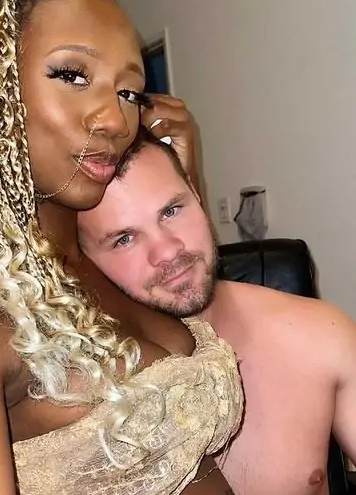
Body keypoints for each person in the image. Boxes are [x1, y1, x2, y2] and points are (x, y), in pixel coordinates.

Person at [0, 0, 243, 494]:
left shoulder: (108, 257)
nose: (116, 120)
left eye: (128, 92)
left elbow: (201, 298)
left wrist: (185, 175)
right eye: (74, 75)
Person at [77, 128, 356, 495]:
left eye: (171, 211)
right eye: (124, 238)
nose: (167, 251)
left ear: (197, 195)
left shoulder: (320, 333)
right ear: (83, 261)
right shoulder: (74, 395)